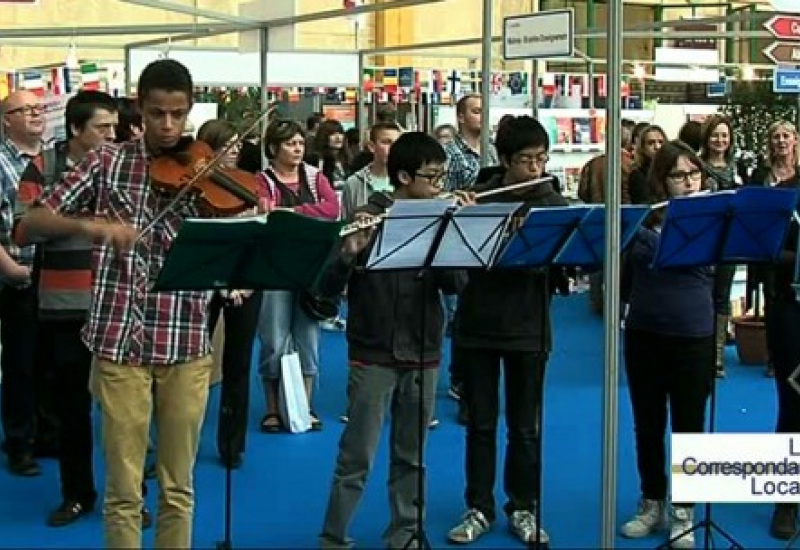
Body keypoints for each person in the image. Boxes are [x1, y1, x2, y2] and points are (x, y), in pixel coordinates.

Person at [18, 58, 219, 549]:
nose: (169, 127)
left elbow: (234, 236)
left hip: (185, 339)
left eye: (178, 114)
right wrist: (93, 227)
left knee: (178, 488)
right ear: (139, 110)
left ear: (189, 110)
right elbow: (30, 224)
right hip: (118, 340)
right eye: (157, 114)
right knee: (123, 491)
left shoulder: (206, 168)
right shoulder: (106, 161)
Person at [318, 132, 469, 549]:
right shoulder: (368, 215)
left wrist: (454, 238)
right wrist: (349, 253)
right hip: (374, 349)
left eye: (442, 176)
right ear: (404, 176)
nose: (439, 185)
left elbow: (455, 285)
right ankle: (333, 536)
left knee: (413, 455)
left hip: (423, 347)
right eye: (431, 177)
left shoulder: (442, 217)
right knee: (357, 456)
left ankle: (406, 531)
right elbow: (325, 289)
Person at [447, 116, 569, 546]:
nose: (535, 169)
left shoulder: (553, 205)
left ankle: (523, 507)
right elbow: (451, 258)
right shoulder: (479, 196)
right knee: (480, 424)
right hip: (478, 324)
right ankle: (478, 506)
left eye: (541, 159)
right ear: (503, 160)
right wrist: (461, 216)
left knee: (525, 427)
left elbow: (570, 264)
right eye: (525, 161)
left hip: (530, 326)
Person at [618, 140, 716, 549]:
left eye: (694, 174)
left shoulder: (715, 221)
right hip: (645, 330)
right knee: (648, 422)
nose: (689, 182)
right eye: (679, 175)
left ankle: (684, 510)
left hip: (694, 331)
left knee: (690, 424)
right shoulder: (644, 222)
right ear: (662, 181)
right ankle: (652, 500)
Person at [196, 119, 262, 468]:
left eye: (237, 144)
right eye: (227, 145)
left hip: (246, 284)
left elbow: (259, 241)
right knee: (190, 366)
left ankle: (232, 444)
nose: (235, 150)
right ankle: (181, 438)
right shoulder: (194, 191)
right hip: (203, 284)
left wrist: (245, 283)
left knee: (238, 364)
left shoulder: (250, 187)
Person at [0, 90, 44, 476]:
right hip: (15, 273)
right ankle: (19, 444)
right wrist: (9, 268)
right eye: (24, 109)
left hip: (55, 277)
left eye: (38, 108)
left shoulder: (52, 160)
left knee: (52, 361)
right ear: (6, 120)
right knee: (20, 363)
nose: (35, 114)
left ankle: (47, 435)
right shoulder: (1, 163)